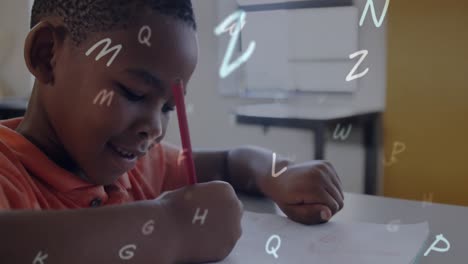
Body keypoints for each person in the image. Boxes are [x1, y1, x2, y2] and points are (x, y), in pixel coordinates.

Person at [0, 0, 344, 263]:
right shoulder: (8, 173)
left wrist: (279, 172)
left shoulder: (131, 169)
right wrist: (170, 228)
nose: (154, 129)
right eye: (133, 92)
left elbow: (229, 162)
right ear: (47, 56)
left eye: (167, 107)